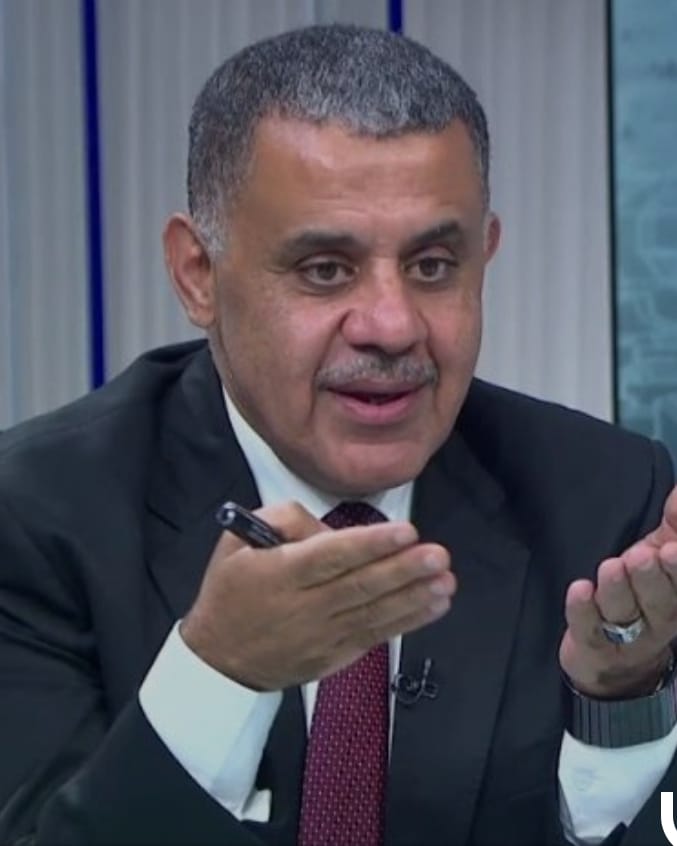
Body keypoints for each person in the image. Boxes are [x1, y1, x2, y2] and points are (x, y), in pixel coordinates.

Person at [1, 22, 677, 846]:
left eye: (432, 266)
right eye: (324, 270)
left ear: (485, 255)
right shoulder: (35, 517)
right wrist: (220, 672)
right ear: (198, 273)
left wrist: (619, 704)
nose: (391, 326)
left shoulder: (605, 501)